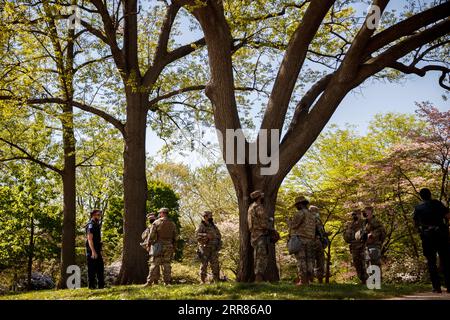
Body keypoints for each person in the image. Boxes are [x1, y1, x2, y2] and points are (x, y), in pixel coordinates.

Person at [413, 188, 450, 293]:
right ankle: (449, 285)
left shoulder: (418, 208)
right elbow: (448, 215)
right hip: (442, 235)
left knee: (431, 262)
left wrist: (422, 230)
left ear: (421, 196)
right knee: (446, 260)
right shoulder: (438, 204)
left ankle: (436, 287)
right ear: (430, 194)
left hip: (427, 237)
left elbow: (416, 224)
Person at [144, 207, 178, 286]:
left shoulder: (156, 222)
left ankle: (149, 282)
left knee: (154, 264)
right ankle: (167, 282)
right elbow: (176, 236)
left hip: (158, 245)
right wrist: (174, 246)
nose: (159, 214)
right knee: (167, 264)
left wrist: (148, 244)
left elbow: (151, 235)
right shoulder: (172, 223)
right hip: (169, 245)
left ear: (162, 213)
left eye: (160, 213)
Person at [289, 196, 316, 286]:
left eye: (297, 205)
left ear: (300, 204)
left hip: (301, 239)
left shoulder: (300, 213)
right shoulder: (312, 214)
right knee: (310, 260)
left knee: (301, 260)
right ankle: (309, 280)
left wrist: (289, 222)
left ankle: (303, 281)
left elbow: (294, 225)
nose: (296, 207)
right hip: (311, 240)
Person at [247, 190, 271, 282]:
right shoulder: (259, 207)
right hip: (260, 234)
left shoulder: (251, 207)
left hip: (254, 235)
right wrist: (271, 228)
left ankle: (259, 278)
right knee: (261, 256)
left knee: (257, 255)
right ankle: (259, 279)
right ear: (259, 197)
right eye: (261, 195)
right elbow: (264, 222)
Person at [196, 210, 222, 283]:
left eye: (211, 215)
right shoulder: (201, 225)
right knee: (204, 264)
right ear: (205, 216)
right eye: (210, 215)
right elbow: (197, 236)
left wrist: (216, 239)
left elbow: (219, 235)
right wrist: (206, 236)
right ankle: (203, 281)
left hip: (213, 248)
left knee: (215, 264)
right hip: (205, 248)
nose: (211, 217)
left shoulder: (213, 226)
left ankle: (216, 281)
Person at [343, 209, 367, 284]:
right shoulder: (350, 225)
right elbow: (346, 237)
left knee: (364, 263)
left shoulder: (364, 222)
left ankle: (368, 280)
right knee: (357, 263)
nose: (354, 216)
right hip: (353, 247)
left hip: (363, 246)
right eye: (353, 215)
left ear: (359, 214)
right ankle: (362, 280)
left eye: (355, 214)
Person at [362, 206, 386, 273]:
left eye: (366, 211)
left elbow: (382, 230)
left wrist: (372, 235)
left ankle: (377, 281)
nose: (365, 213)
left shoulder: (376, 221)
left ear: (371, 212)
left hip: (374, 245)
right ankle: (371, 282)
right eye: (364, 211)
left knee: (375, 264)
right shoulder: (365, 223)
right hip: (366, 246)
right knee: (368, 264)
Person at [85, 209, 105, 289]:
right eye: (98, 215)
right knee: (92, 269)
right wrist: (93, 251)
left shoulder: (96, 224)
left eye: (100, 215)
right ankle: (91, 287)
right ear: (93, 215)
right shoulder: (90, 225)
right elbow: (89, 239)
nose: (99, 216)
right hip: (92, 251)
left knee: (100, 268)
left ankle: (101, 286)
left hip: (97, 250)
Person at [310, 205, 328, 284]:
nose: (317, 213)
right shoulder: (315, 219)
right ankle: (316, 279)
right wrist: (324, 235)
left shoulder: (309, 219)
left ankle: (315, 279)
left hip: (313, 241)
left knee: (315, 261)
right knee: (319, 260)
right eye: (316, 211)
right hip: (315, 241)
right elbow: (320, 231)